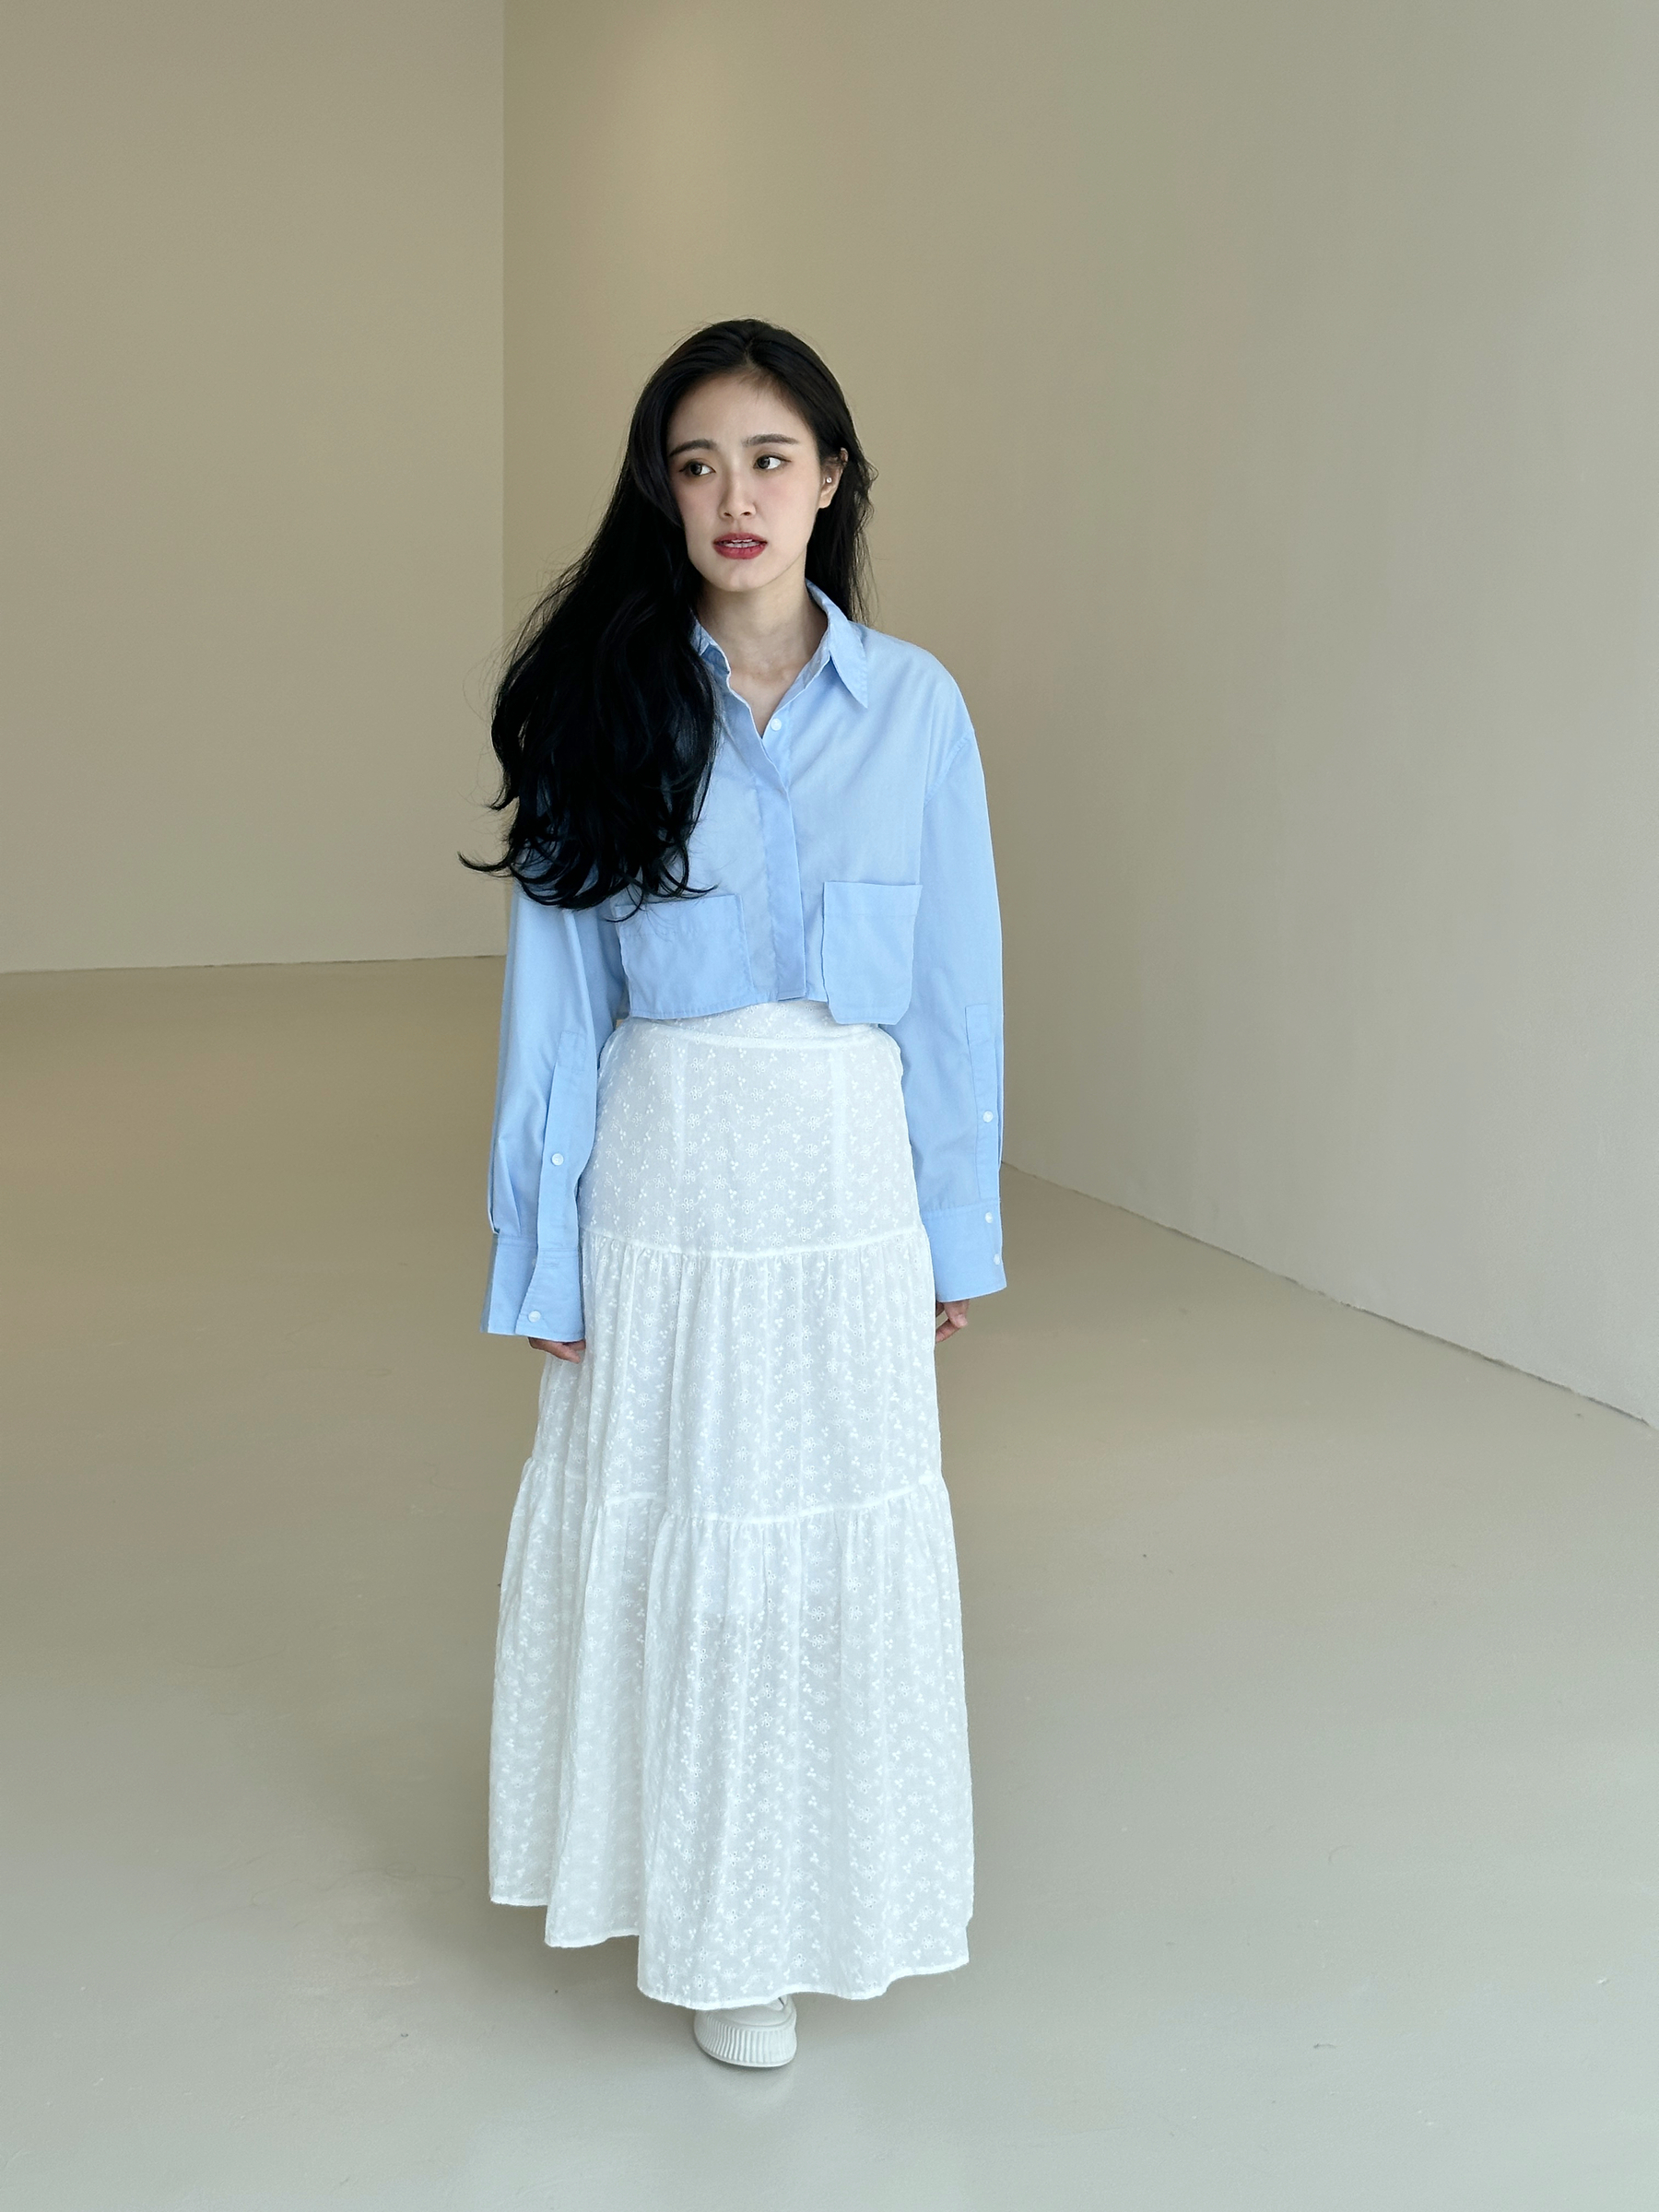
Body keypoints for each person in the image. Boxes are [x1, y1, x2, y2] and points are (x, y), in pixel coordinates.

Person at [468, 318, 1005, 2069]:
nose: (735, 496)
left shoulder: (917, 709)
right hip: (671, 1178)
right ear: (662, 493)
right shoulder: (604, 703)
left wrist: (953, 1227)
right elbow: (559, 1011)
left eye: (770, 458)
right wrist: (545, 1253)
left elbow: (954, 997)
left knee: (825, 1537)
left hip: (844, 1186)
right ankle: (715, 1929)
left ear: (831, 477)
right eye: (696, 465)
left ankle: (815, 1888)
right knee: (693, 1540)